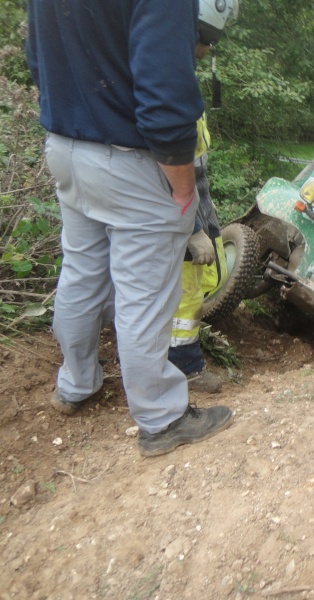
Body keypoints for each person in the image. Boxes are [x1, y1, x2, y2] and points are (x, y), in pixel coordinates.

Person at [27, 0, 232, 457]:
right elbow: (165, 95)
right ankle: (161, 418)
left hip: (65, 147)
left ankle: (75, 384)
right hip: (128, 160)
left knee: (81, 271)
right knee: (143, 295)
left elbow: (36, 61)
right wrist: (182, 191)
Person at [169, 0, 239, 394]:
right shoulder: (171, 83)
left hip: (192, 209)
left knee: (193, 289)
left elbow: (196, 169)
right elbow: (174, 165)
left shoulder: (177, 78)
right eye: (206, 40)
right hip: (177, 217)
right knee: (185, 297)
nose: (207, 50)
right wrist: (193, 228)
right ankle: (184, 368)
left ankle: (172, 362)